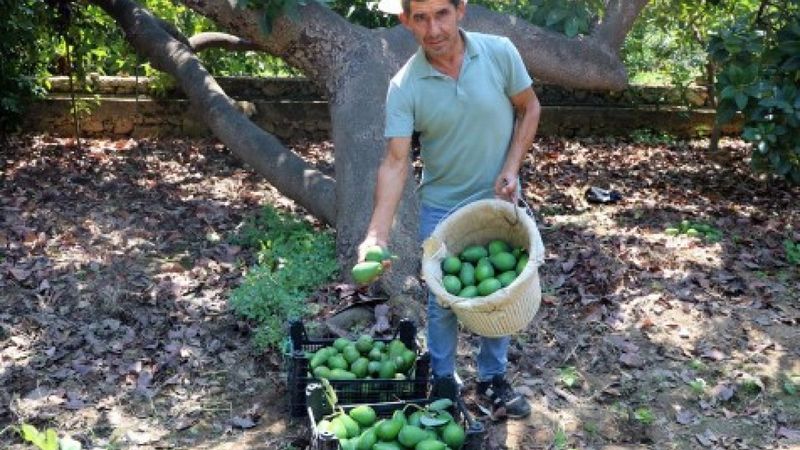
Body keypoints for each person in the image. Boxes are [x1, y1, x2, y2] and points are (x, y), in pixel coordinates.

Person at [358, 0, 541, 420]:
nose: (433, 28)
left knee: (500, 293)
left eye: (441, 13)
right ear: (405, 21)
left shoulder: (499, 52)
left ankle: (493, 379)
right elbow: (395, 161)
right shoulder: (406, 86)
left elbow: (529, 107)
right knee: (442, 300)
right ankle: (443, 381)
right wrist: (376, 236)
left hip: (499, 199)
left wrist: (512, 167)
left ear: (461, 10)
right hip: (442, 206)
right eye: (420, 17)